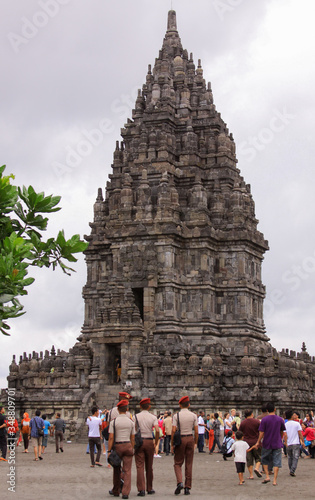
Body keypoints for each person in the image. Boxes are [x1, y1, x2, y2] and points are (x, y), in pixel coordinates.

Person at [171, 395, 198, 496]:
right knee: (189, 463)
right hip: (190, 438)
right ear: (189, 405)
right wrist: (195, 442)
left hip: (180, 439)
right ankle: (187, 487)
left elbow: (173, 430)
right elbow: (196, 431)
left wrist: (172, 443)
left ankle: (179, 482)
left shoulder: (176, 416)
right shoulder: (193, 415)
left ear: (180, 405)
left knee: (178, 463)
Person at [108, 399, 135, 499]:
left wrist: (109, 450)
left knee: (116, 469)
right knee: (127, 470)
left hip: (118, 446)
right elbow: (133, 437)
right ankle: (125, 492)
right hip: (128, 445)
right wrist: (132, 448)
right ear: (127, 409)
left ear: (118, 409)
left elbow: (111, 437)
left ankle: (116, 490)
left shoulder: (113, 422)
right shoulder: (131, 422)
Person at [255, 402, 286, 486]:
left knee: (265, 460)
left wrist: (258, 442)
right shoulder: (280, 419)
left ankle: (267, 476)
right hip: (277, 442)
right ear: (275, 409)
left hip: (267, 442)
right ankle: (275, 480)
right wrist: (280, 438)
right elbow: (282, 431)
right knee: (277, 461)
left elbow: (261, 432)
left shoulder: (264, 419)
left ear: (267, 410)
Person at [134, 397, 159, 496]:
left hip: (139, 441)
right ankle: (150, 488)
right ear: (149, 407)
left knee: (140, 466)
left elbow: (134, 430)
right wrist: (156, 442)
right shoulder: (153, 417)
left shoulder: (135, 416)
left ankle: (141, 489)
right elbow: (157, 430)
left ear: (140, 406)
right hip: (149, 441)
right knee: (149, 466)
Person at [239, 409, 262, 479]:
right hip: (256, 442)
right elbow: (261, 432)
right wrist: (259, 441)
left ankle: (251, 475)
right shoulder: (257, 422)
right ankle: (257, 468)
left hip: (246, 443)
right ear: (252, 414)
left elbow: (240, 433)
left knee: (249, 459)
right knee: (258, 457)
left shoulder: (243, 423)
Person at [284, 409, 305, 476]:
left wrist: (285, 442)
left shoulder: (285, 424)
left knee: (290, 457)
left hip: (289, 443)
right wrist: (302, 441)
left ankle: (291, 469)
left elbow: (285, 434)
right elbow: (300, 433)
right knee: (295, 457)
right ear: (291, 416)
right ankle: (292, 470)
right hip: (296, 442)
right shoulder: (297, 424)